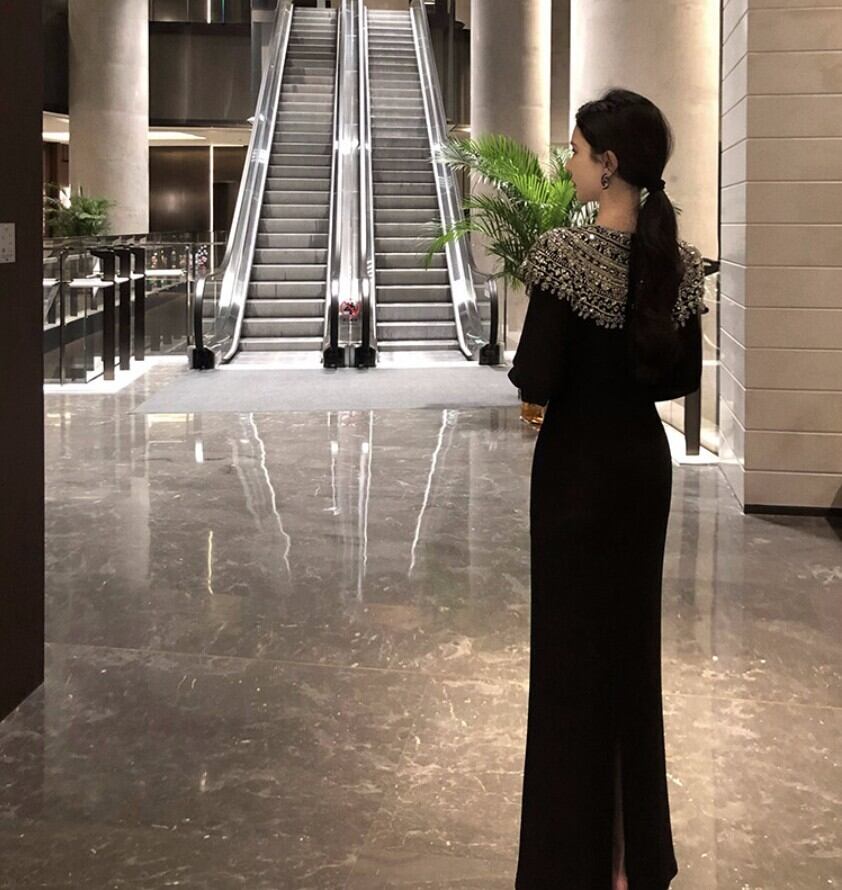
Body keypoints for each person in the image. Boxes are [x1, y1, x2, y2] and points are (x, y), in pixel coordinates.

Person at [508, 88, 707, 890]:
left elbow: (537, 374)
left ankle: (571, 862)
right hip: (640, 469)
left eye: (576, 151)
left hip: (573, 474)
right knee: (631, 657)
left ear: (609, 165)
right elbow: (679, 378)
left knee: (568, 664)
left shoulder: (561, 255)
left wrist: (536, 395)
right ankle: (634, 862)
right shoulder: (678, 264)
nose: (568, 163)